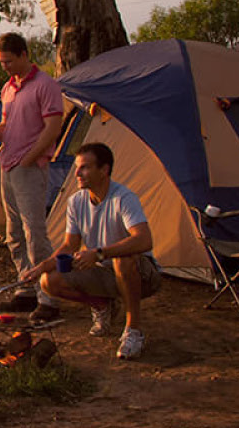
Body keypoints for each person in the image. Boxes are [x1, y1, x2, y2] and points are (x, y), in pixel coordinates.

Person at [19, 142, 162, 359]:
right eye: (77, 167)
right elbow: (69, 246)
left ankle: (133, 330)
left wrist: (98, 253)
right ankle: (102, 305)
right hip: (103, 271)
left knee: (122, 259)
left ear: (104, 170)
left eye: (84, 167)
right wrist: (38, 269)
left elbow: (144, 240)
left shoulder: (123, 198)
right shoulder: (76, 201)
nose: (77, 173)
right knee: (49, 281)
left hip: (142, 275)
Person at [0, 32, 66, 324]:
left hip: (30, 166)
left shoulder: (46, 85)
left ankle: (48, 297)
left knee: (34, 232)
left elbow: (53, 127)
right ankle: (27, 287)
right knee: (13, 234)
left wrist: (30, 157)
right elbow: (6, 126)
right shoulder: (9, 88)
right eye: (1, 62)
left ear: (24, 55)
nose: (5, 67)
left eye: (8, 61)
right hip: (8, 165)